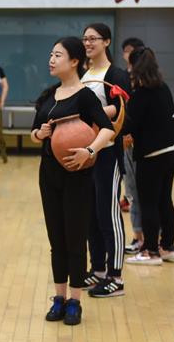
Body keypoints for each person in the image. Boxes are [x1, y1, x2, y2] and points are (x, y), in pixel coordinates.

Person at [31, 36, 115, 326]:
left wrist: (89, 150)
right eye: (51, 54)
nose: (51, 60)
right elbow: (35, 135)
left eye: (58, 55)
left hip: (78, 175)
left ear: (75, 61)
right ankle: (59, 297)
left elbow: (107, 130)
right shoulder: (47, 95)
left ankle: (75, 301)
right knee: (57, 239)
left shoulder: (86, 96)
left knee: (76, 238)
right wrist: (40, 134)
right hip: (49, 174)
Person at [79, 23, 131, 298]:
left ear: (106, 41)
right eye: (85, 39)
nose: (88, 43)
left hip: (108, 151)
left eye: (93, 39)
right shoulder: (85, 74)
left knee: (109, 214)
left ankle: (116, 276)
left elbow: (122, 107)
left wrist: (91, 113)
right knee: (91, 213)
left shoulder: (116, 74)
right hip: (87, 152)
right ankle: (98, 269)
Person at [121, 47, 174, 266]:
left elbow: (129, 125)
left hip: (153, 154)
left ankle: (150, 251)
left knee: (148, 202)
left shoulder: (141, 94)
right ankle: (168, 246)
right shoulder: (162, 87)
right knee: (164, 199)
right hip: (172, 150)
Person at [120, 37, 146, 254]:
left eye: (133, 52)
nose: (129, 55)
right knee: (132, 191)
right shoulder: (123, 78)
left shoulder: (144, 84)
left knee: (139, 192)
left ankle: (145, 239)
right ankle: (140, 237)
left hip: (139, 144)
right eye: (126, 51)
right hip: (127, 142)